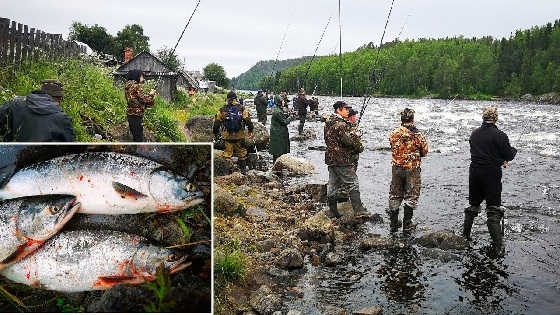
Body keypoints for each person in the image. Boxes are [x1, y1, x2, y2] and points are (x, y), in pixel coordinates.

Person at [464, 106, 517, 257]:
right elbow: (508, 154)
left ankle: (465, 236)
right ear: (496, 118)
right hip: (491, 175)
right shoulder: (500, 135)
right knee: (493, 209)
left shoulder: (474, 134)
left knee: (473, 206)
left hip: (474, 173)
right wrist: (512, 152)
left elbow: (481, 152)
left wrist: (500, 158)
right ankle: (498, 246)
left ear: (483, 118)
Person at [388, 108, 429, 235]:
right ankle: (407, 225)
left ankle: (393, 225)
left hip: (396, 168)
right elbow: (425, 151)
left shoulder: (394, 133)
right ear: (412, 119)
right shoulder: (418, 134)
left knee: (395, 194)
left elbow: (392, 146)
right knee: (411, 196)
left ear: (402, 119)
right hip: (412, 169)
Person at [324, 101, 366, 218]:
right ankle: (359, 211)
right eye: (345, 109)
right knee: (353, 183)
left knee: (332, 185)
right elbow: (348, 142)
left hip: (331, 158)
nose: (348, 111)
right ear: (338, 110)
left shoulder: (328, 122)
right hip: (342, 159)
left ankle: (333, 211)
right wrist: (355, 136)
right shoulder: (341, 125)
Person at [0, 79, 75, 142]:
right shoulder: (62, 118)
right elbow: (70, 145)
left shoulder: (13, 105)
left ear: (41, 92)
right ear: (59, 99)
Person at [213, 91, 254, 173]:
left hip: (227, 136)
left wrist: (216, 133)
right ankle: (243, 171)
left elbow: (216, 123)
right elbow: (247, 121)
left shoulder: (222, 110)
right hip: (239, 136)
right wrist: (250, 130)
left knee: (227, 153)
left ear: (227, 99)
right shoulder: (242, 108)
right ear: (236, 98)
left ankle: (227, 172)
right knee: (242, 153)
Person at [125, 70, 156, 142]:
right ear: (136, 76)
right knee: (139, 137)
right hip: (136, 115)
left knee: (135, 136)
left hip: (130, 114)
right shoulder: (136, 86)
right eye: (142, 76)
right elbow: (144, 99)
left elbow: (137, 100)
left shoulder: (128, 86)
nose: (143, 78)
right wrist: (151, 94)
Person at [269, 94, 294, 163]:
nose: (284, 102)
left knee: (277, 150)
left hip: (277, 132)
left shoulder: (277, 110)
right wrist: (291, 117)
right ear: (279, 102)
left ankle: (276, 165)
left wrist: (287, 115)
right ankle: (276, 166)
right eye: (282, 101)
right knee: (278, 150)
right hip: (278, 133)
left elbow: (281, 119)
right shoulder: (278, 111)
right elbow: (284, 122)